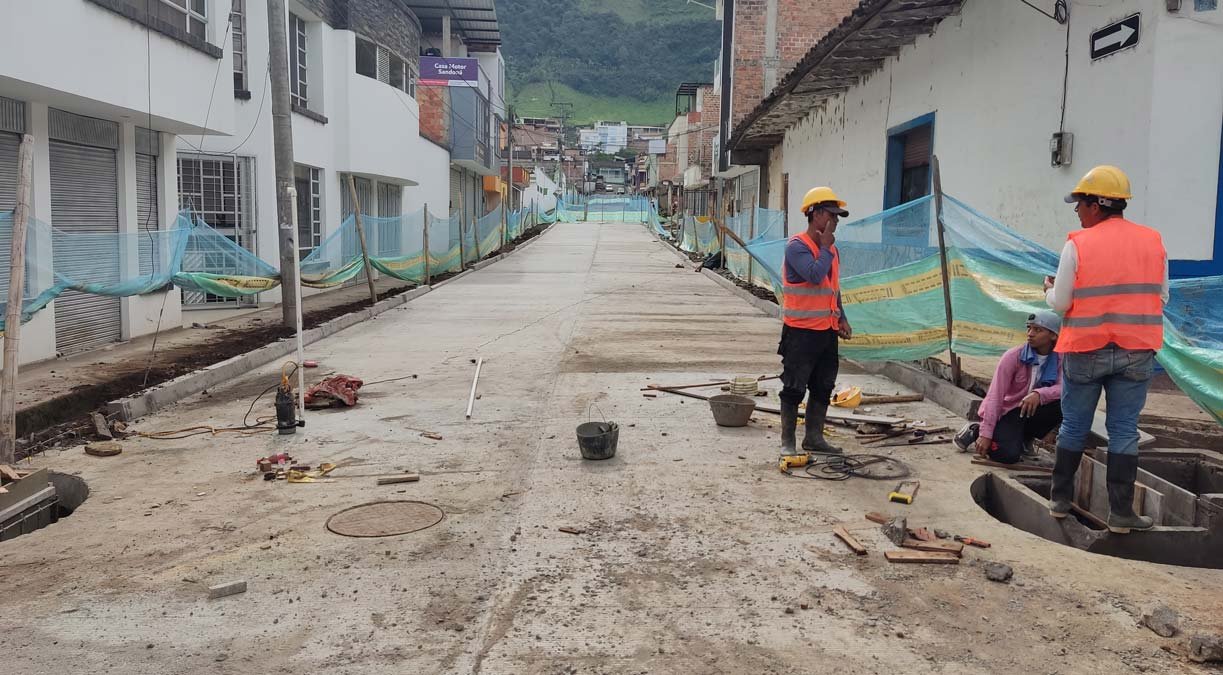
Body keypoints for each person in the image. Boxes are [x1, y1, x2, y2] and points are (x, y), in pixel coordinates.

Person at [1045, 165, 1169, 534]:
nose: (1078, 212)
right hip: (1136, 352)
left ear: (1096, 205)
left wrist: (1047, 291)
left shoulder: (1078, 244)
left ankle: (1059, 500)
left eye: (1079, 204)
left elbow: (1061, 302)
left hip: (1086, 350)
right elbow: (1162, 295)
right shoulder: (1152, 241)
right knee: (1124, 430)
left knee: (1074, 425)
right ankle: (1121, 515)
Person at [778, 187, 853, 455]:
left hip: (826, 331)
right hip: (800, 333)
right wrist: (825, 248)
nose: (836, 222)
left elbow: (833, 287)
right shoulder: (797, 247)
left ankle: (814, 438)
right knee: (794, 387)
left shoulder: (830, 250)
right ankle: (788, 442)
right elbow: (813, 275)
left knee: (823, 385)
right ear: (817, 214)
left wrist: (842, 316)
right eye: (832, 216)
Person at [954, 312, 1062, 464]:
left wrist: (1039, 394)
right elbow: (995, 397)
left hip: (1033, 409)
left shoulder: (1061, 358)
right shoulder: (1013, 357)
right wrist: (986, 434)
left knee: (1065, 403)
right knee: (1007, 456)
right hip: (1009, 411)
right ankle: (976, 430)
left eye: (1038, 330)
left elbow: (1065, 388)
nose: (1030, 334)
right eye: (1029, 328)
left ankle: (1024, 438)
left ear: (1053, 335)